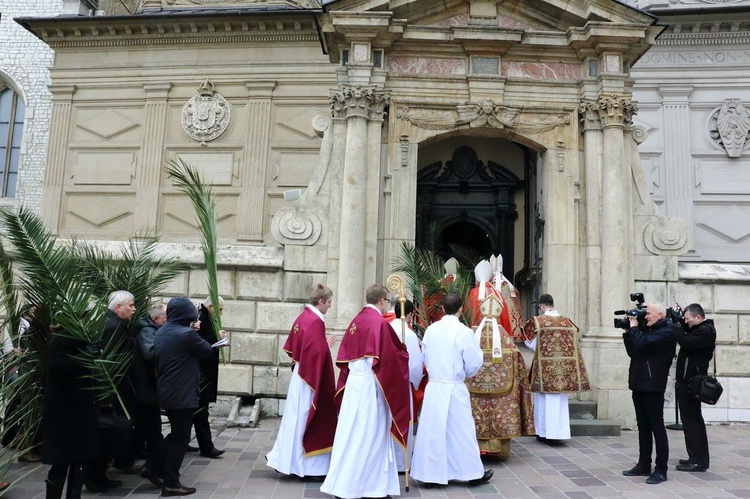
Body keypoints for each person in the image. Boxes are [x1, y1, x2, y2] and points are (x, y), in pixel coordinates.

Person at [320, 284, 410, 499]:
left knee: (350, 434)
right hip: (371, 387)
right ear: (381, 301)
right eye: (387, 301)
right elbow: (390, 362)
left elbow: (345, 359)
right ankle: (357, 487)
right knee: (369, 436)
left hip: (354, 386)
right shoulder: (379, 324)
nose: (387, 305)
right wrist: (404, 354)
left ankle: (357, 484)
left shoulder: (356, 320)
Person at [411, 294, 492, 488]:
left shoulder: (431, 330)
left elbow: (425, 355)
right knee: (461, 432)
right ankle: (471, 473)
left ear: (443, 309)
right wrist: (464, 373)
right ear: (461, 309)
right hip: (454, 386)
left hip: (435, 386)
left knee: (433, 431)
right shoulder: (464, 332)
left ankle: (429, 475)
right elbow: (473, 362)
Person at [140, 296, 214, 497]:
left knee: (177, 433)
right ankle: (171, 481)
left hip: (168, 390)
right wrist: (194, 331)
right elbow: (207, 350)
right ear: (187, 314)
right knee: (181, 437)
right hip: (182, 392)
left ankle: (152, 466)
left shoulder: (164, 330)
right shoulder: (185, 334)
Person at [266, 284, 337, 480]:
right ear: (321, 301)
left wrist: (322, 344)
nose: (330, 306)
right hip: (309, 378)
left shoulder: (304, 316)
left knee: (295, 418)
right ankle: (309, 467)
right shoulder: (315, 321)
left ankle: (286, 460)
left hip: (301, 374)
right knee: (307, 417)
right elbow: (314, 354)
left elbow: (300, 349)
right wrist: (325, 345)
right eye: (329, 302)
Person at [466, 261, 534, 458]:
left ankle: (477, 449)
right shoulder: (503, 334)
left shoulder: (473, 333)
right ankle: (499, 450)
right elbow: (517, 358)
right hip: (501, 391)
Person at [41, 329, 101, 499]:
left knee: (79, 460)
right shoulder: (64, 337)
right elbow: (56, 368)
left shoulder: (82, 336)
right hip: (64, 412)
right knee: (61, 462)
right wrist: (85, 356)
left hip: (80, 409)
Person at [85, 290, 136, 491]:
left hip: (113, 390)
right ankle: (93, 477)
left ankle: (99, 475)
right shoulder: (112, 326)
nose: (133, 309)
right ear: (118, 307)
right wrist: (106, 396)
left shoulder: (114, 324)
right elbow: (104, 364)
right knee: (105, 434)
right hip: (110, 392)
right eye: (130, 305)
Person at [523, 293, 590, 444]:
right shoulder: (567, 321)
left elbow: (531, 344)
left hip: (544, 370)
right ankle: (559, 432)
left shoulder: (538, 321)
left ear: (541, 306)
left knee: (542, 401)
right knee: (559, 401)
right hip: (563, 371)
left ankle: (543, 432)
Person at [622, 302, 677, 485]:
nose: (645, 317)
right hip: (639, 384)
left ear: (660, 315)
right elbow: (634, 351)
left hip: (653, 386)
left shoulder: (666, 333)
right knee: (643, 426)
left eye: (649, 314)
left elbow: (644, 344)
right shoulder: (647, 331)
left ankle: (661, 469)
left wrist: (634, 329)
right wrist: (627, 333)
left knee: (657, 428)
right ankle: (643, 464)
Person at [674, 303, 716, 472]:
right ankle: (696, 457)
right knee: (692, 421)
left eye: (688, 319)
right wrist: (681, 321)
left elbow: (686, 342)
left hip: (692, 383)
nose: (686, 322)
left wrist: (676, 326)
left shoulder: (705, 331)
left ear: (698, 317)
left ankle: (698, 461)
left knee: (692, 422)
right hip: (688, 382)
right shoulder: (700, 329)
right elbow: (687, 336)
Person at [386, 299, 425, 473]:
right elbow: (415, 366)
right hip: (402, 384)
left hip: (385, 384)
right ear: (409, 314)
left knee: (386, 421)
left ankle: (387, 459)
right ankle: (402, 463)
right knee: (403, 421)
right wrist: (415, 382)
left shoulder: (384, 328)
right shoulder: (408, 334)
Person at [130, 302, 168, 460]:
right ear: (157, 318)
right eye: (168, 316)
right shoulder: (148, 331)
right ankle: (157, 463)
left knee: (142, 425)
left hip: (148, 385)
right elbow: (150, 354)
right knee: (152, 425)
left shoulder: (154, 330)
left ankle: (127, 457)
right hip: (145, 385)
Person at [191, 296, 226, 458]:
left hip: (205, 372)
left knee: (197, 412)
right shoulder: (200, 318)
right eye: (219, 310)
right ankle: (206, 447)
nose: (220, 313)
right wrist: (216, 337)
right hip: (201, 374)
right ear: (211, 306)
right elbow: (197, 342)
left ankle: (199, 444)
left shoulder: (205, 317)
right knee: (200, 412)